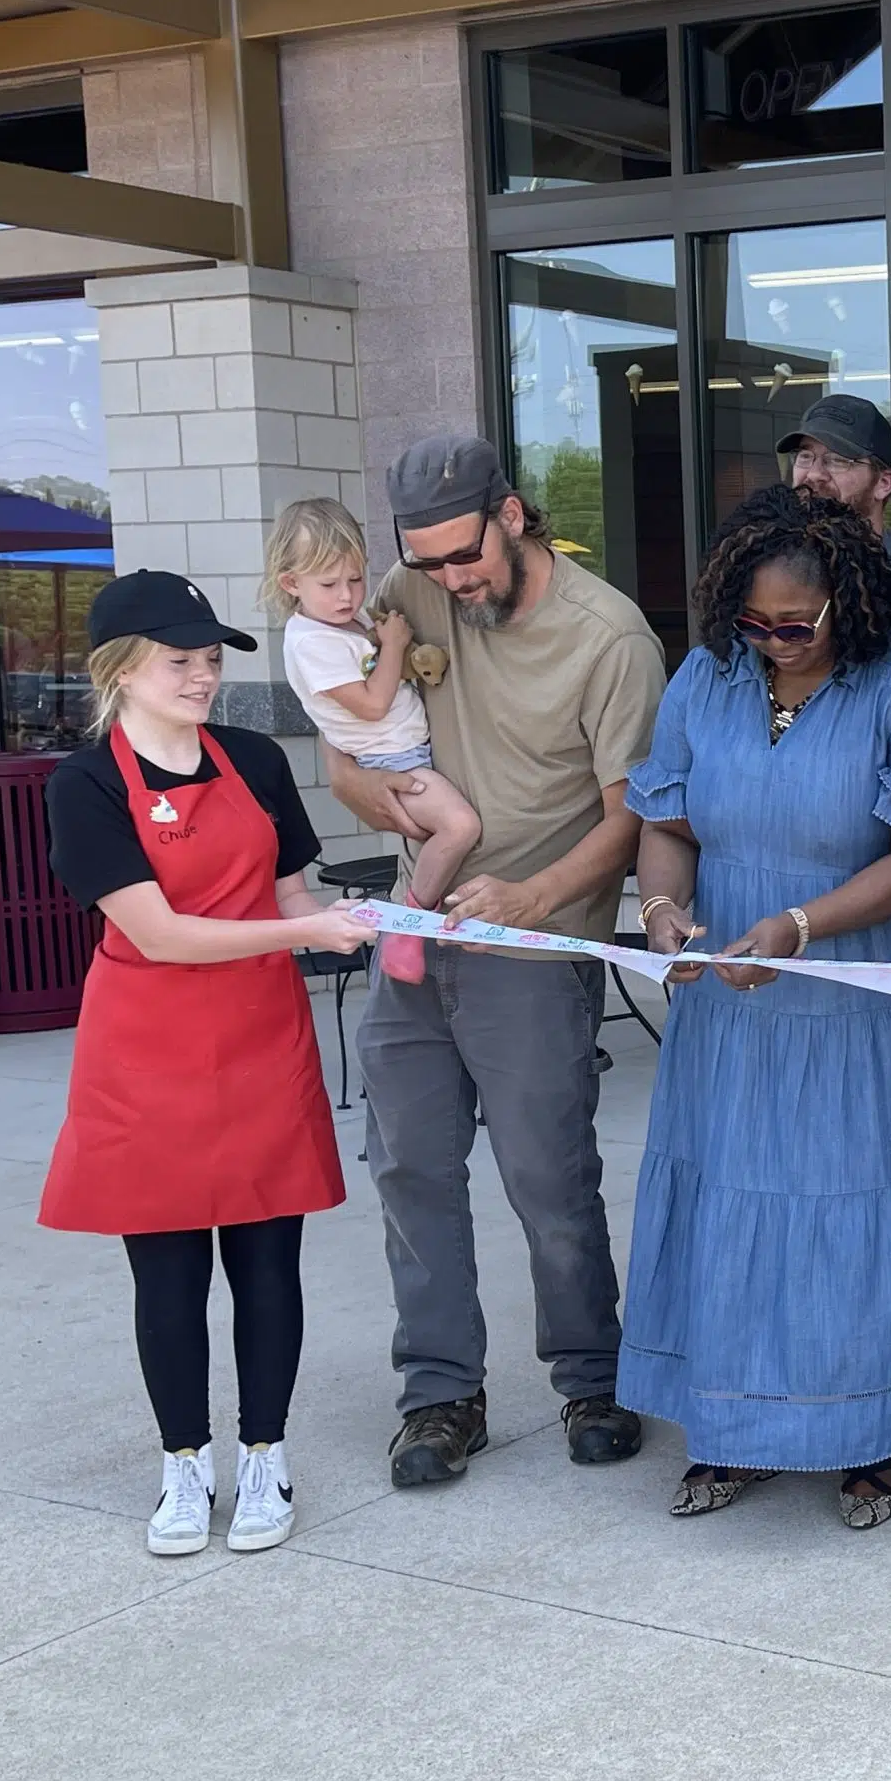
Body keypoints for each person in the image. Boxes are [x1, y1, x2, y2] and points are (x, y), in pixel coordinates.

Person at [621, 485, 891, 1527]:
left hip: (857, 999)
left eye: (795, 625)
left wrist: (798, 928)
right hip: (729, 999)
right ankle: (729, 1432)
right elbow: (668, 820)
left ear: (852, 606)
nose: (772, 642)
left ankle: (861, 1441)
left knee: (849, 1209)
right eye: (752, 621)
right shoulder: (705, 678)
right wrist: (657, 912)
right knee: (731, 1202)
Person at [327, 433, 667, 1487]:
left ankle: (591, 1377)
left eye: (460, 557)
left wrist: (532, 894)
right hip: (417, 929)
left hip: (531, 935)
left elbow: (635, 815)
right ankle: (439, 1398)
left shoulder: (608, 636)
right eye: (423, 564)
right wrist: (372, 799)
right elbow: (345, 738)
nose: (445, 582)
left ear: (512, 515)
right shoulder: (407, 594)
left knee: (546, 1175)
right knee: (409, 1170)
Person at [37, 571, 367, 1554]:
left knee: (268, 1261)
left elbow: (285, 889)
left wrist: (347, 923)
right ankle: (184, 1466)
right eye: (180, 660)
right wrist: (307, 928)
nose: (202, 676)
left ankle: (263, 1455)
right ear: (120, 670)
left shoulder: (257, 760)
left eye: (212, 658)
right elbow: (164, 934)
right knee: (168, 1272)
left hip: (263, 1034)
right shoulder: (86, 783)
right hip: (146, 1046)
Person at [267, 497, 482, 985]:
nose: (347, 595)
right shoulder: (310, 642)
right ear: (290, 583)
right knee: (460, 827)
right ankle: (409, 925)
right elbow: (371, 704)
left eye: (356, 578)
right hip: (393, 759)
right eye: (329, 584)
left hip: (411, 749)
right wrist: (397, 646)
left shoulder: (342, 621)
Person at [779, 395, 891, 655]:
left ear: (883, 483)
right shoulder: (768, 570)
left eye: (837, 460)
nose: (814, 474)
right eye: (805, 457)